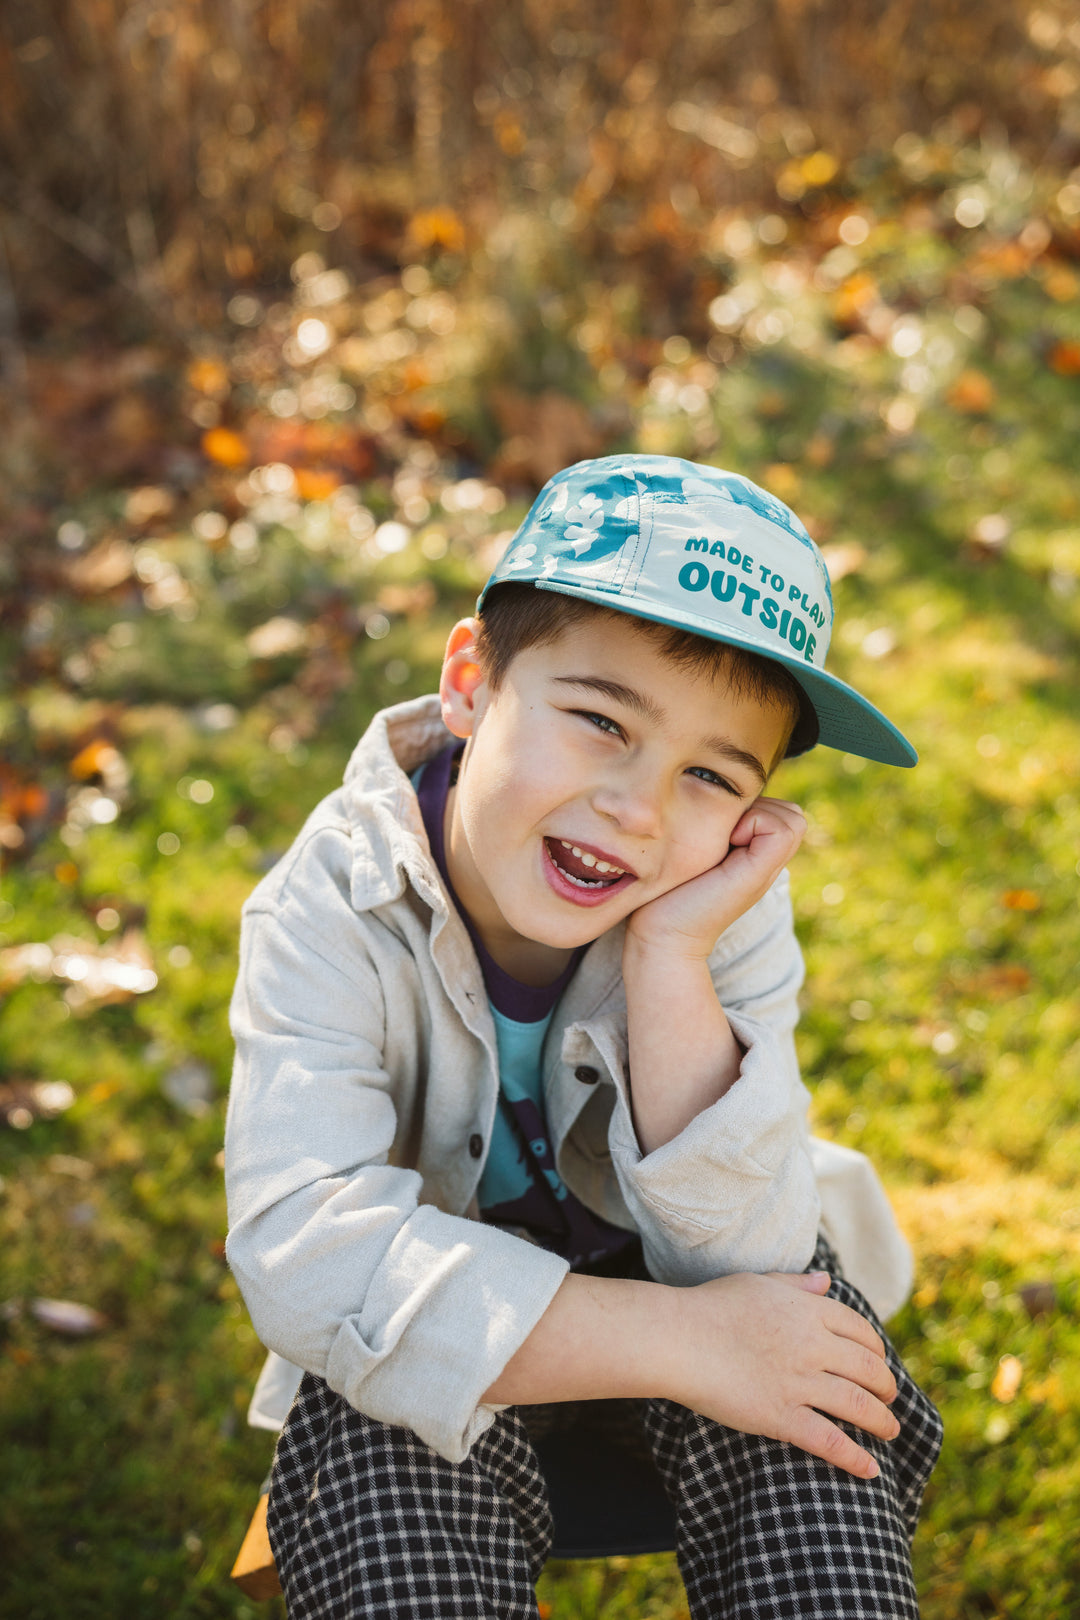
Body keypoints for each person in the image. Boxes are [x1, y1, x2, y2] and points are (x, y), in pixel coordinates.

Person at [225, 454, 942, 1620]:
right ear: (470, 683)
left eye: (711, 774)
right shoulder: (330, 909)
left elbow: (749, 1256)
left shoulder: (716, 903)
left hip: (695, 1295)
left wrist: (670, 960)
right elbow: (313, 1262)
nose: (640, 811)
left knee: (817, 1390)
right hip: (455, 1340)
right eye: (602, 720)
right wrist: (685, 1343)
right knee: (383, 1423)